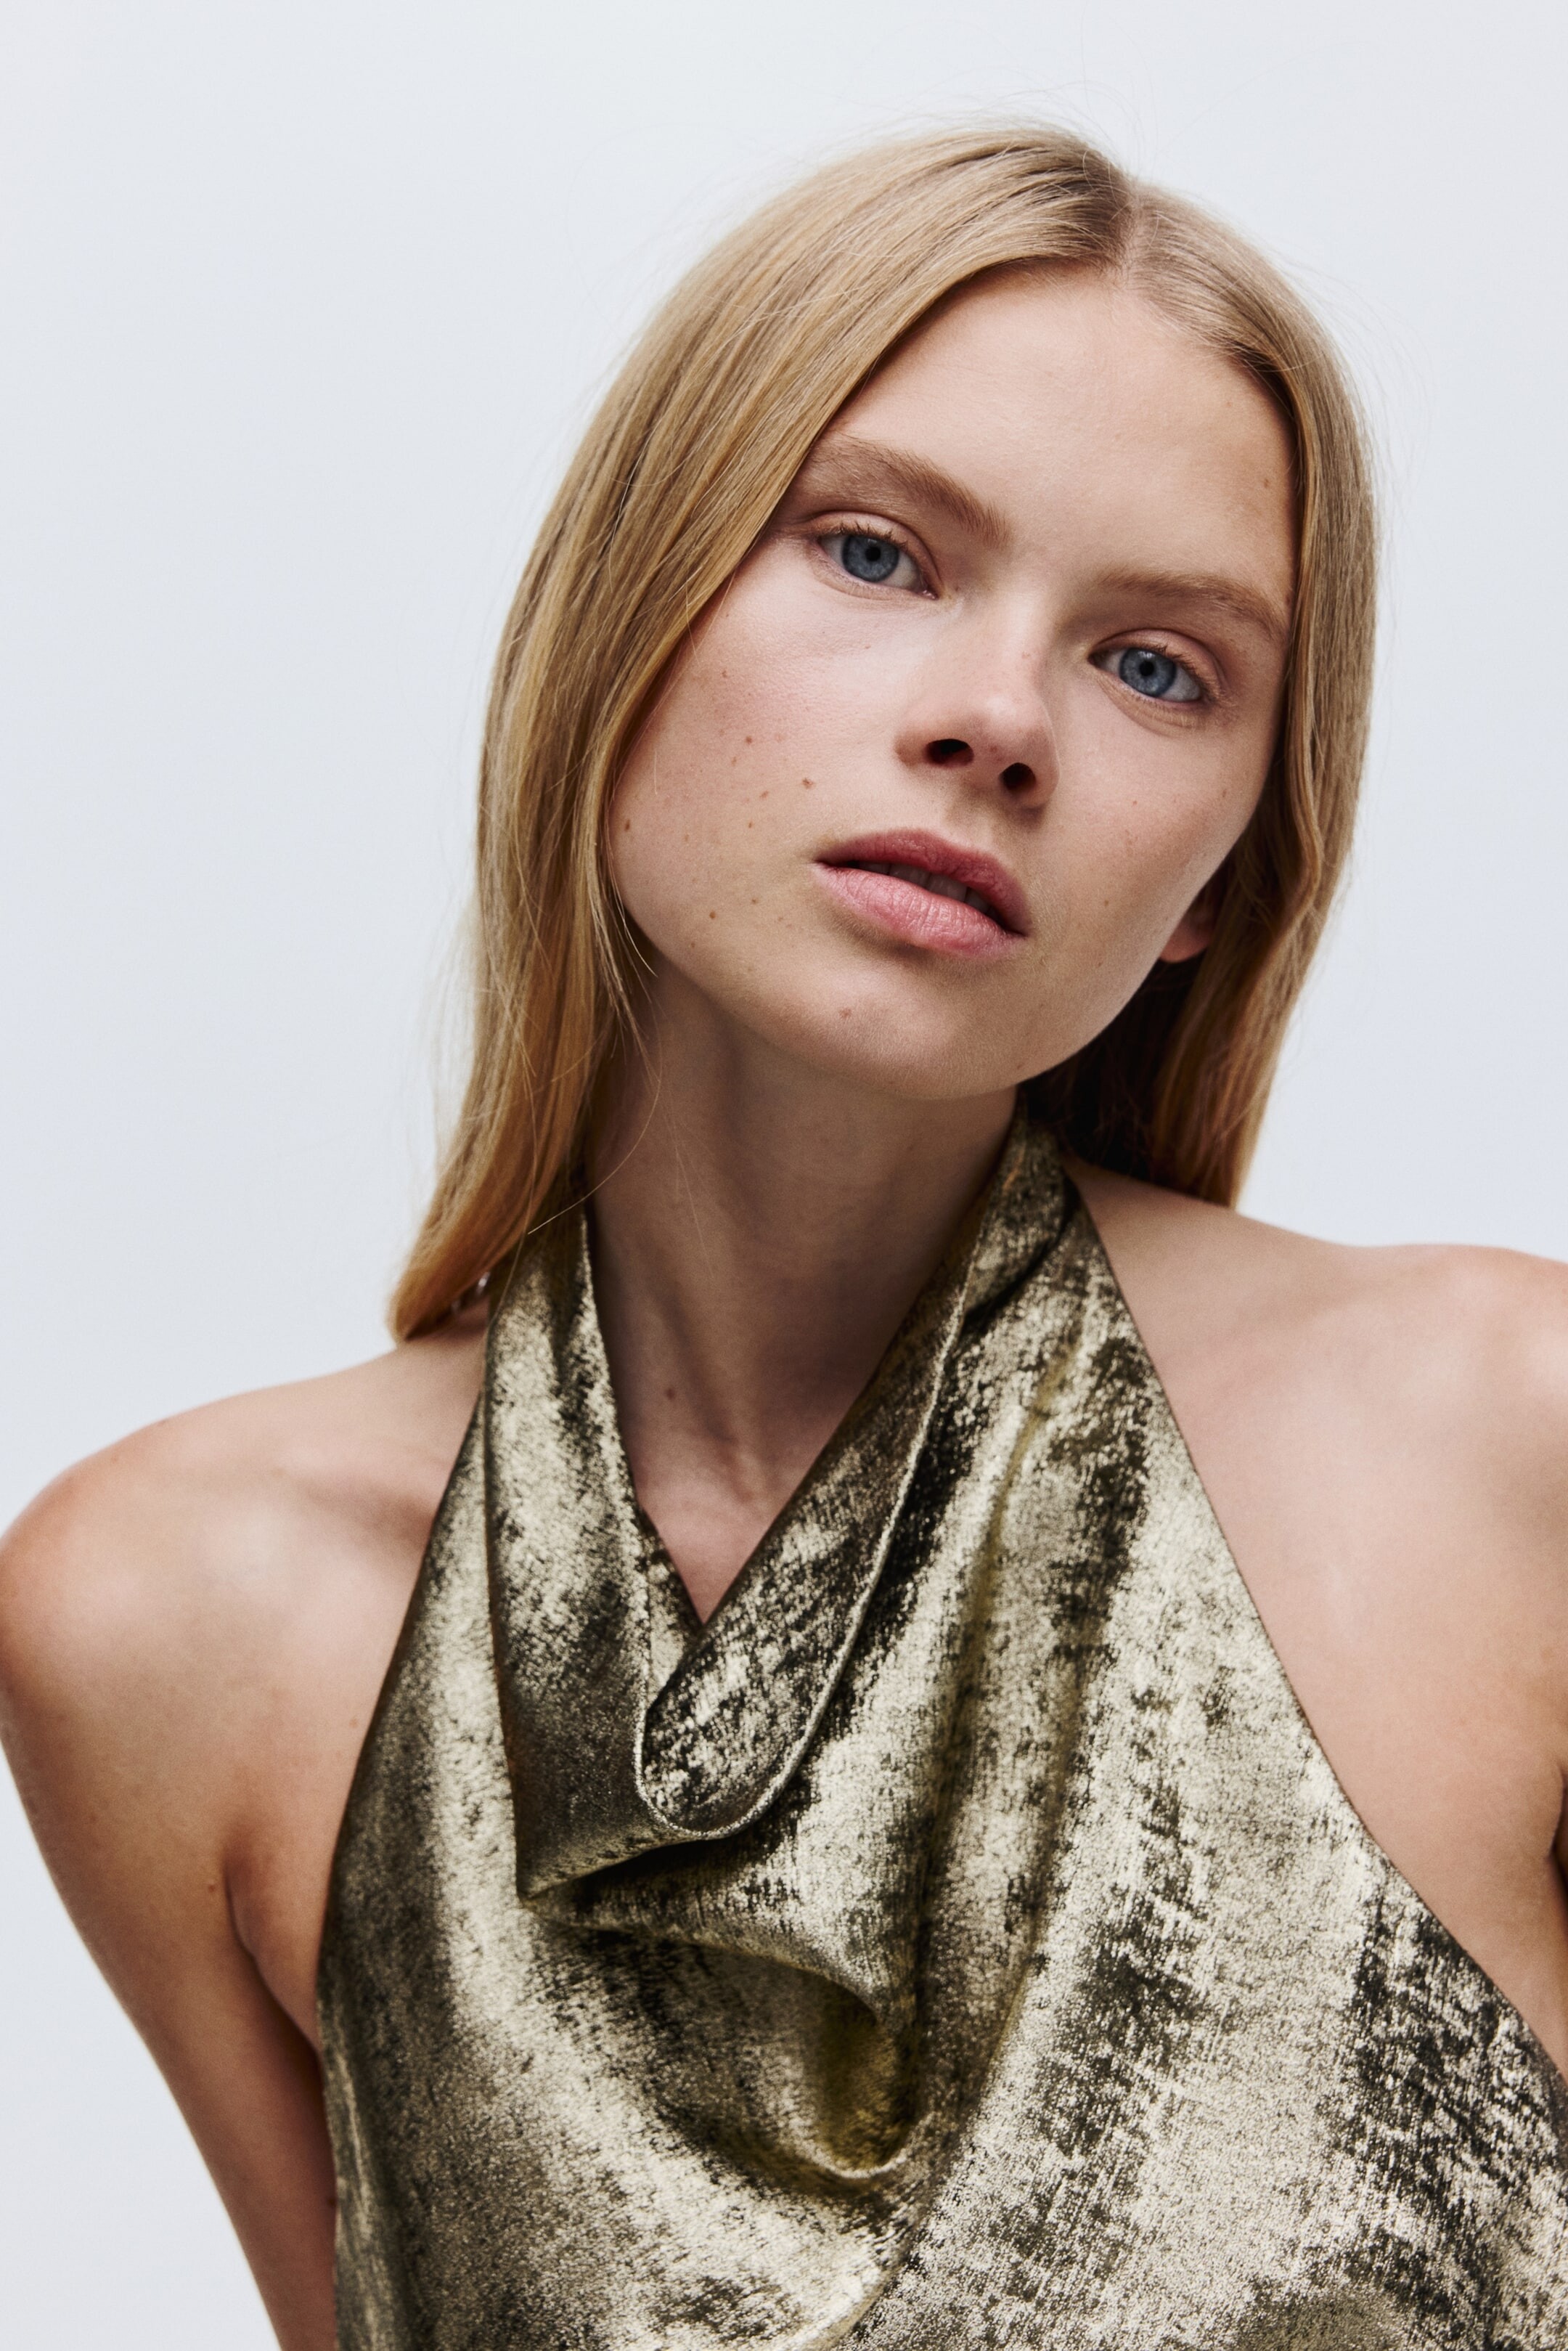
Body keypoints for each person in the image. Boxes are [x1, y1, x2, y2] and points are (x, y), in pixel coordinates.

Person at [1, 124, 1564, 2350]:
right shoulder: (174, 1623)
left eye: (1157, 668)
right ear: (631, 605)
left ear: (1218, 883)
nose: (994, 723)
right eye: (873, 550)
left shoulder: (1504, 1457)